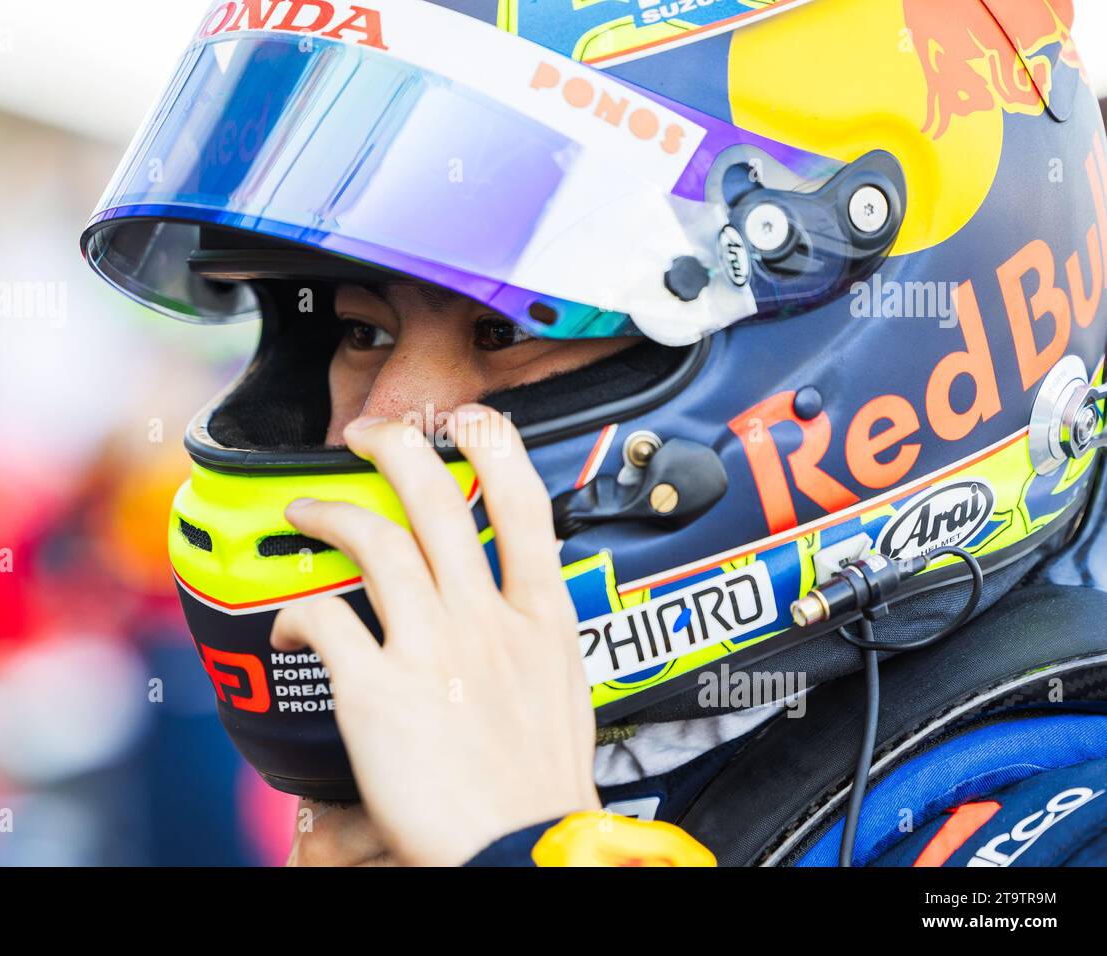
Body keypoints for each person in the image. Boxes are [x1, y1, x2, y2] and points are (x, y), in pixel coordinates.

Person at [82, 0, 1107, 866]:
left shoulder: (1058, 815)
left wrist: (523, 842)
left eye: (514, 328)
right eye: (359, 329)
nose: (377, 426)